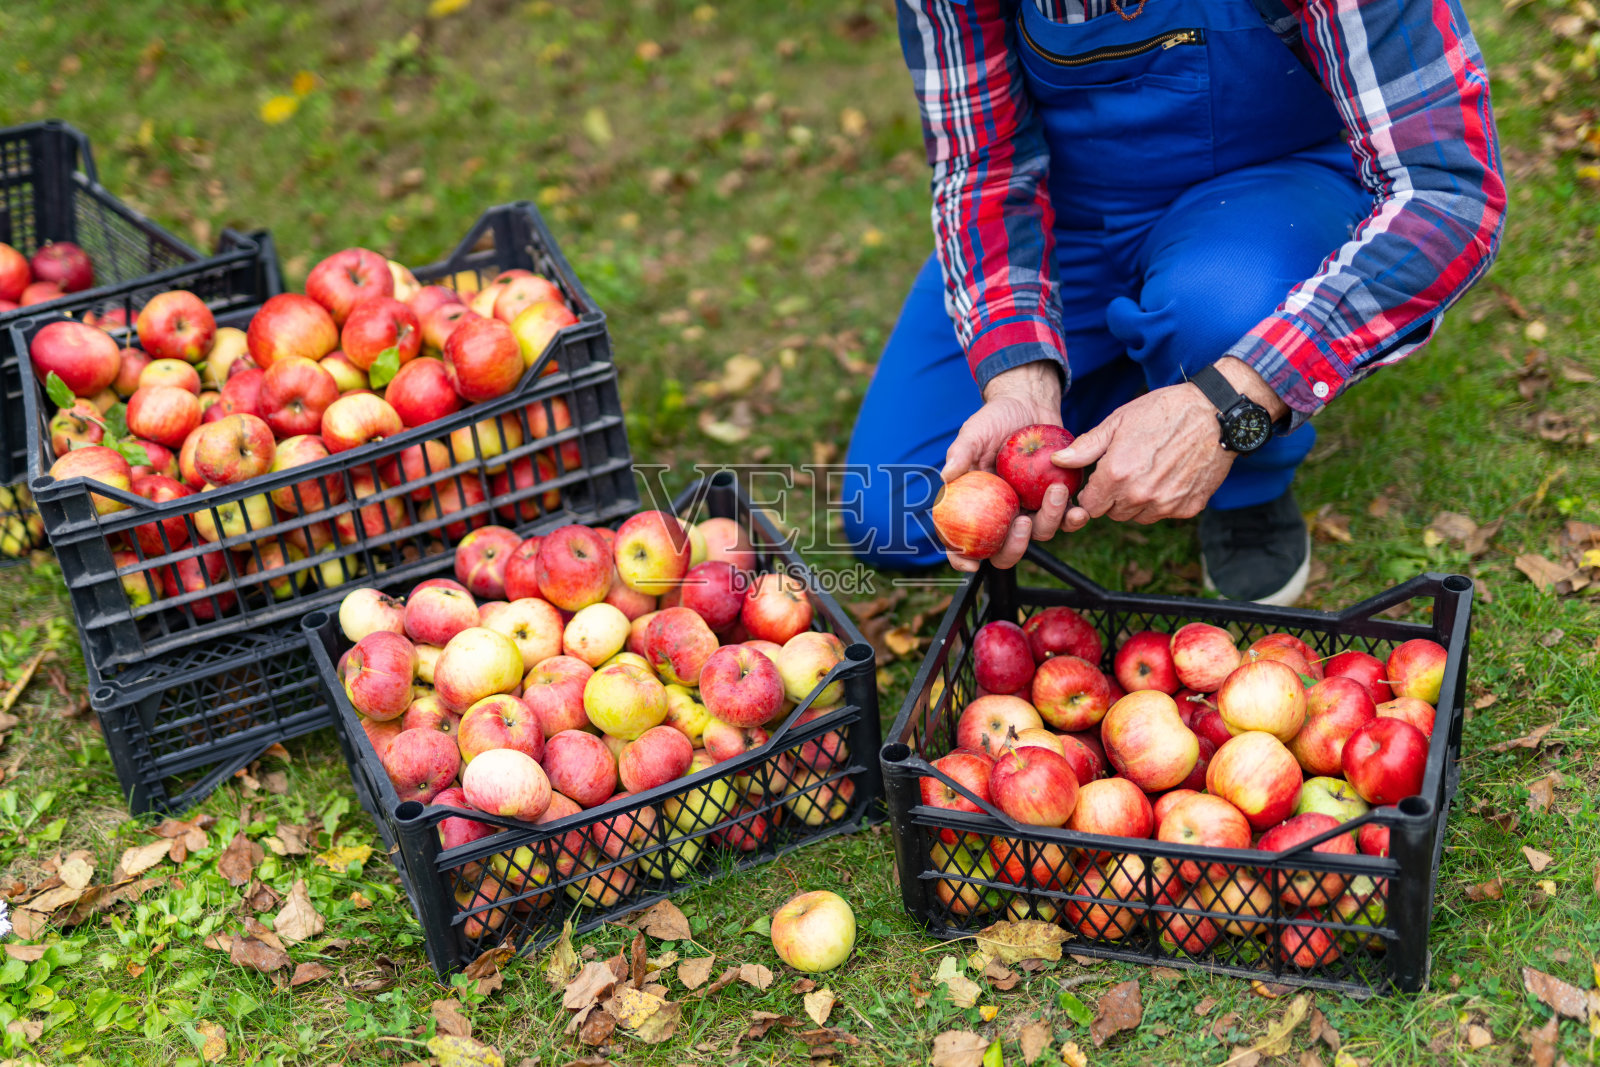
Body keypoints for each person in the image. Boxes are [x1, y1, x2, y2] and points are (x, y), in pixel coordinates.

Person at [842, 0, 1505, 605]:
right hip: (1067, 214)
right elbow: (985, 168)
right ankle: (1151, 365)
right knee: (892, 514)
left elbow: (1448, 196)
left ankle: (1246, 476)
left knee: (1216, 310)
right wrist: (1018, 381)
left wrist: (1236, 397)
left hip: (1263, 194)